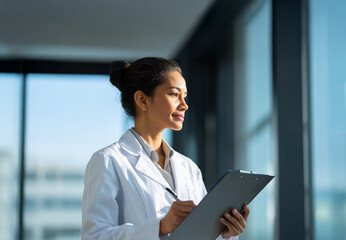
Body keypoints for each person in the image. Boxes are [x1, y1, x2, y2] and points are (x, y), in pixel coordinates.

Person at [81, 57, 250, 240]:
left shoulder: (189, 168)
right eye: (174, 94)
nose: (184, 105)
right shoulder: (108, 161)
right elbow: (94, 236)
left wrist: (225, 233)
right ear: (142, 100)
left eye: (184, 96)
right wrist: (161, 227)